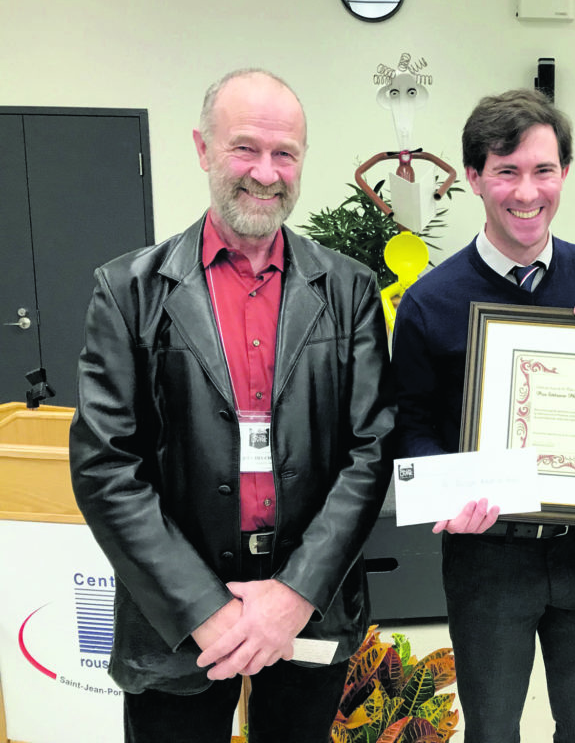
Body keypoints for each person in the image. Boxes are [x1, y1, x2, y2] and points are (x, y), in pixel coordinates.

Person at [69, 68, 395, 743]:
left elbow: (370, 451)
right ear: (202, 148)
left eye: (285, 154)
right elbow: (106, 466)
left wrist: (295, 594)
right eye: (245, 148)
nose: (266, 173)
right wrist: (202, 607)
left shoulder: (350, 290)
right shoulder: (128, 291)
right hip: (174, 618)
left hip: (309, 607)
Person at [390, 88, 575, 743]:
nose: (527, 192)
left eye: (543, 170)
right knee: (492, 732)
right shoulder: (429, 302)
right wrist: (448, 491)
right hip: (488, 559)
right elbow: (411, 424)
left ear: (565, 173)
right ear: (474, 177)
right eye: (506, 171)